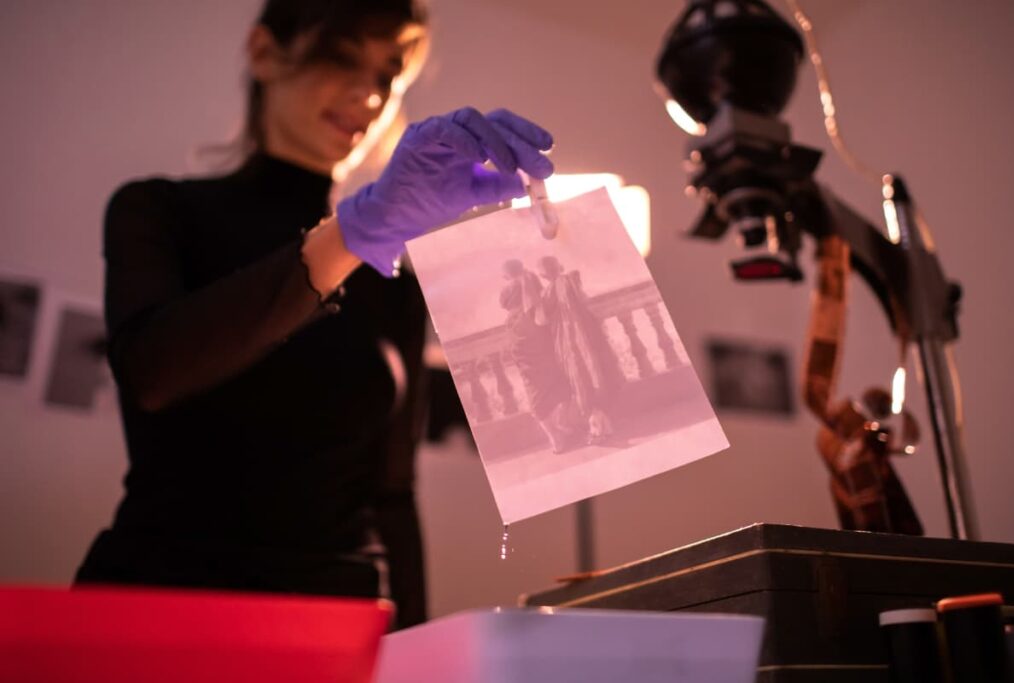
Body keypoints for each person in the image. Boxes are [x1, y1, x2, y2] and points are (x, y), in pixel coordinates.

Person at [74, 0, 555, 629]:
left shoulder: (392, 286)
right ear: (263, 53)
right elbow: (154, 373)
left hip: (333, 621)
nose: (369, 94)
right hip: (159, 606)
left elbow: (390, 495)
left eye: (388, 73)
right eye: (342, 56)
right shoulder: (159, 211)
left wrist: (412, 648)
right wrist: (355, 232)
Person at [538, 256, 623, 445]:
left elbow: (542, 320)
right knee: (594, 375)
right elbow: (586, 301)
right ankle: (600, 427)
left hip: (567, 343)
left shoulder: (547, 293)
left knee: (582, 381)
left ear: (543, 274)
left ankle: (599, 428)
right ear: (558, 266)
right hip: (586, 335)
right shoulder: (570, 279)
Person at [498, 260, 573, 453]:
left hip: (518, 333)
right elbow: (540, 304)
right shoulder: (529, 279)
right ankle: (561, 429)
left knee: (534, 388)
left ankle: (556, 436)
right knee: (557, 378)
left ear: (506, 275)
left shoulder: (509, 289)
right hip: (535, 333)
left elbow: (505, 305)